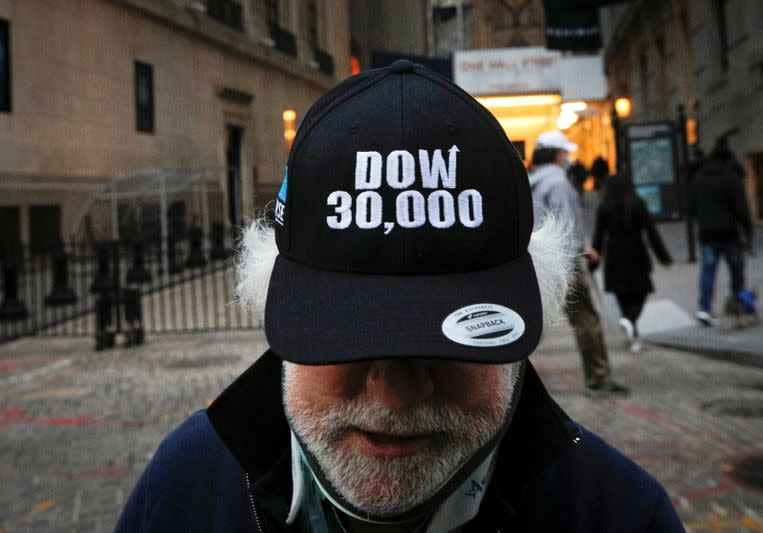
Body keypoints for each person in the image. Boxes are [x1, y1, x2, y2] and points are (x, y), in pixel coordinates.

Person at [115, 61, 682, 532]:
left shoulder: (621, 516)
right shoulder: (186, 488)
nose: (398, 387)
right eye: (347, 328)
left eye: (450, 332)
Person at [529, 131, 629, 395]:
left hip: (543, 261)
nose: (567, 158)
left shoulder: (534, 181)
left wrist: (582, 247)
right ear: (557, 154)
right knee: (588, 321)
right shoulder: (558, 182)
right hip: (564, 263)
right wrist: (571, 264)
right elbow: (563, 226)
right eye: (564, 153)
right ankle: (598, 377)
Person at [592, 175, 672, 352]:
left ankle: (631, 330)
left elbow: (598, 236)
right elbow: (652, 232)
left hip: (614, 256)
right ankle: (630, 324)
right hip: (636, 253)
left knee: (623, 297)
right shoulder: (638, 204)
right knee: (641, 292)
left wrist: (593, 263)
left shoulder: (604, 207)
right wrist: (663, 257)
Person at [689, 136, 753, 326]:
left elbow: (692, 208)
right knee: (736, 270)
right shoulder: (730, 178)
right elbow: (742, 210)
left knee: (708, 272)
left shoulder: (700, 178)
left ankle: (704, 308)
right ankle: (737, 304)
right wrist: (748, 236)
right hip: (729, 233)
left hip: (707, 233)